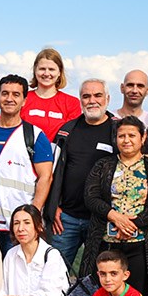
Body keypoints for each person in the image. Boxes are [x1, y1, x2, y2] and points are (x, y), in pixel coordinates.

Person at [81, 116, 148, 296]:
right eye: (122, 136)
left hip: (141, 244)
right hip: (107, 243)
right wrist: (114, 217)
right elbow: (91, 196)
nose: (127, 140)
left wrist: (131, 224)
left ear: (143, 137)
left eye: (132, 135)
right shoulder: (103, 165)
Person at [0, 75, 54, 252]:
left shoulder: (34, 136)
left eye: (16, 94)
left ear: (24, 100)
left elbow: (46, 177)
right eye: (5, 93)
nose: (9, 99)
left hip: (18, 225)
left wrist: (34, 213)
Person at [44, 78, 117, 268]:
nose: (92, 100)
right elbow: (53, 172)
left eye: (97, 95)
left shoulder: (118, 131)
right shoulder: (66, 131)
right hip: (66, 218)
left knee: (100, 274)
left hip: (102, 219)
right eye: (86, 96)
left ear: (107, 99)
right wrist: (54, 206)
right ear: (80, 100)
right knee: (55, 272)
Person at [20, 48, 82, 139]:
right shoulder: (23, 99)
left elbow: (73, 136)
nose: (46, 73)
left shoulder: (72, 103)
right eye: (42, 69)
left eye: (51, 69)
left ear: (59, 72)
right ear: (35, 70)